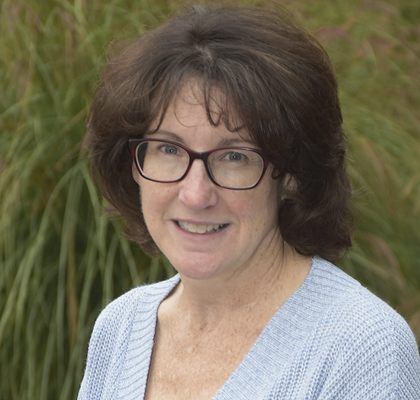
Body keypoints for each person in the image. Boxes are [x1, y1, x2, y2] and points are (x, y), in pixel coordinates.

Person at [78, 5, 420, 400]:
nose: (195, 194)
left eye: (234, 157)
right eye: (169, 149)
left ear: (291, 174)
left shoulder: (361, 350)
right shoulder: (120, 328)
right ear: (133, 164)